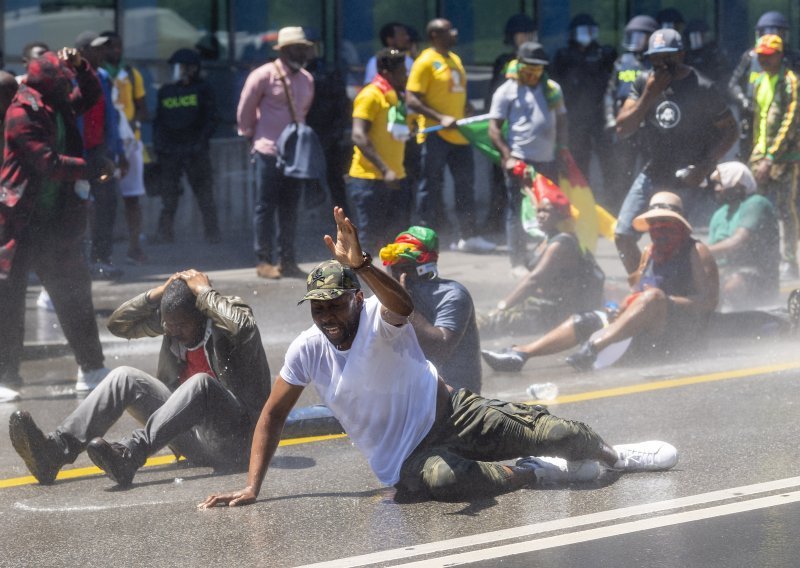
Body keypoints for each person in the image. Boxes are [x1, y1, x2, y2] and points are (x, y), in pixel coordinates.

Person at [199, 207, 677, 507]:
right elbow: (272, 416)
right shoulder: (308, 349)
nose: (326, 317)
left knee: (559, 432)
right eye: (318, 308)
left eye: (335, 305)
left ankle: (617, 457)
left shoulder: (380, 317)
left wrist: (362, 265)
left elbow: (403, 307)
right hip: (405, 462)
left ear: (357, 300)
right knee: (448, 481)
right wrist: (252, 487)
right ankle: (534, 472)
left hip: (455, 413)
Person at [8, 269, 271, 486]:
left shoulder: (226, 322)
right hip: (191, 438)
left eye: (181, 326)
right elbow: (118, 325)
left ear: (201, 313)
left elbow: (245, 329)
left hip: (238, 444)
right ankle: (53, 452)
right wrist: (159, 292)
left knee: (201, 383)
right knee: (124, 376)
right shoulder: (173, 324)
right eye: (169, 325)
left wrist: (204, 291)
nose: (174, 332)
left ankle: (129, 455)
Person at [483, 191, 719, 373]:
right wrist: (620, 308)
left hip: (678, 333)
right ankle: (521, 354)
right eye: (654, 224)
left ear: (679, 224)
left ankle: (594, 348)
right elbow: (637, 291)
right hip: (643, 324)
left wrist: (664, 301)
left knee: (654, 297)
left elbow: (709, 301)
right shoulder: (649, 251)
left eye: (665, 223)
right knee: (587, 319)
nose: (658, 230)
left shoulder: (696, 251)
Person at [0, 49, 114, 392]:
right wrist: (95, 170)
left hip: (55, 222)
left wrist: (81, 67)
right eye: (64, 81)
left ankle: (92, 369)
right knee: (8, 302)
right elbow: (47, 163)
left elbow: (92, 94)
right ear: (47, 85)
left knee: (75, 294)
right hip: (18, 222)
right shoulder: (23, 112)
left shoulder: (56, 102)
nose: (69, 88)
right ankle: (6, 377)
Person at [614, 28, 737, 275]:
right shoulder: (643, 83)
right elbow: (622, 128)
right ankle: (642, 285)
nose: (662, 64)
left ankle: (678, 295)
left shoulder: (702, 86)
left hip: (686, 178)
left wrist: (705, 166)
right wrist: (650, 94)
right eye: (655, 58)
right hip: (653, 172)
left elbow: (730, 130)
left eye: (668, 56)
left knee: (673, 244)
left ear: (681, 54)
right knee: (623, 236)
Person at [406, 18, 494, 253]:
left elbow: (456, 93)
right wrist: (440, 117)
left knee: (466, 186)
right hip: (436, 134)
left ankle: (469, 235)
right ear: (435, 35)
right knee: (430, 187)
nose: (455, 34)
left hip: (460, 135)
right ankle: (424, 239)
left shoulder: (454, 60)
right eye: (449, 31)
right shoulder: (425, 61)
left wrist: (465, 108)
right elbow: (412, 98)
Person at [238, 26, 314, 280]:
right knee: (265, 207)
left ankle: (288, 260)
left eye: (304, 49)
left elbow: (303, 112)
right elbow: (245, 110)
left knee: (290, 208)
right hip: (268, 150)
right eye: (296, 48)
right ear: (283, 51)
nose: (301, 53)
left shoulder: (307, 79)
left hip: (295, 155)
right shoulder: (263, 75)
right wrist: (252, 136)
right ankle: (263, 260)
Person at [478, 183, 604, 338]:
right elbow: (534, 199)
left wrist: (503, 306)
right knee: (477, 313)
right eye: (538, 211)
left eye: (547, 211)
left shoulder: (562, 243)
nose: (540, 215)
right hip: (537, 305)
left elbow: (534, 280)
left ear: (560, 215)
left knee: (492, 321)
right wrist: (528, 185)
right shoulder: (548, 238)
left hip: (553, 313)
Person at [489, 41, 567, 274]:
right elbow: (494, 128)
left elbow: (563, 120)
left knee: (550, 210)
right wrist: (507, 156)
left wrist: (563, 147)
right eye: (529, 67)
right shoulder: (506, 91)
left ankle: (547, 258)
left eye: (539, 68)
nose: (534, 73)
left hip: (548, 160)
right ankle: (518, 261)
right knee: (518, 210)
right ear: (519, 65)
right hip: (520, 161)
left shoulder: (552, 88)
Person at [379, 226, 481, 393]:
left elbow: (439, 349)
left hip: (458, 403)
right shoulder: (386, 297)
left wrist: (404, 305)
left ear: (425, 268)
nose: (398, 275)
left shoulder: (452, 294)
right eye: (394, 267)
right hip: (413, 395)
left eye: (405, 268)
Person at [152, 48, 221, 246]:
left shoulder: (203, 89)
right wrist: (160, 147)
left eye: (182, 67)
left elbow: (212, 118)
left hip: (195, 149)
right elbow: (159, 121)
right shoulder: (166, 91)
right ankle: (164, 234)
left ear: (193, 69)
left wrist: (200, 142)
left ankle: (212, 233)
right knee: (168, 197)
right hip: (170, 151)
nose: (178, 71)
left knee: (204, 194)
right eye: (176, 67)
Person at [348, 48, 412, 251]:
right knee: (366, 242)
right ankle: (356, 282)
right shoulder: (370, 95)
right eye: (402, 71)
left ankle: (391, 283)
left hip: (395, 177)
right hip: (370, 181)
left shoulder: (394, 96)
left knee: (395, 242)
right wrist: (385, 169)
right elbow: (358, 135)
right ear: (386, 72)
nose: (407, 76)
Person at [747, 34, 800, 280]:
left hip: (785, 157)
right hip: (760, 155)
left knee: (785, 209)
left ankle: (789, 260)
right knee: (755, 206)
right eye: (760, 56)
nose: (763, 60)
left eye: (768, 56)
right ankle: (758, 256)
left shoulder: (790, 82)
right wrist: (758, 153)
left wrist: (772, 156)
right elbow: (758, 119)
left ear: (779, 55)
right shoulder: (759, 80)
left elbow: (790, 121)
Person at [75, 31, 127, 281]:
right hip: (76, 153)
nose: (101, 54)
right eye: (95, 49)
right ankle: (76, 262)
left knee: (107, 204)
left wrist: (118, 152)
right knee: (79, 208)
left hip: (100, 152)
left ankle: (102, 259)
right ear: (82, 52)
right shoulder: (70, 78)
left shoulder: (103, 77)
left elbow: (111, 117)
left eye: (102, 49)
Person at [551, 14, 616, 202]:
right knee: (580, 161)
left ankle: (613, 200)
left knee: (608, 161)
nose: (588, 35)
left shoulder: (603, 54)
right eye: (583, 31)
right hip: (576, 118)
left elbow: (613, 78)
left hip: (600, 116)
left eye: (591, 30)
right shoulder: (564, 56)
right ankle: (583, 201)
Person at [482, 13, 537, 235]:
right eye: (522, 34)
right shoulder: (504, 62)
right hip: (505, 129)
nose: (527, 37)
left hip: (529, 130)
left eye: (529, 34)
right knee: (501, 178)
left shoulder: (537, 60)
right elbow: (494, 95)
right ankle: (496, 222)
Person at [99, 30, 149, 266]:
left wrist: (132, 124)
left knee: (132, 198)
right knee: (100, 199)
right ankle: (99, 254)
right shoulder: (96, 76)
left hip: (130, 142)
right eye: (109, 47)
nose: (115, 51)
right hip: (105, 144)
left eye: (118, 46)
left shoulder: (130, 73)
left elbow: (142, 107)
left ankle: (134, 247)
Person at [603, 15, 658, 211]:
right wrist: (610, 119)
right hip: (625, 125)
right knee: (622, 171)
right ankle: (619, 211)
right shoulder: (622, 62)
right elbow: (610, 93)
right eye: (633, 36)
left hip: (649, 126)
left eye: (641, 37)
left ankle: (648, 210)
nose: (636, 42)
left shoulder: (655, 63)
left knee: (649, 170)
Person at [728, 11, 800, 161]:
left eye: (777, 34)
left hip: (781, 120)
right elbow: (733, 84)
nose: (765, 60)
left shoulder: (793, 60)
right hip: (752, 118)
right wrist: (745, 101)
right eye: (766, 34)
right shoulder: (750, 57)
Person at [708, 162, 779, 310]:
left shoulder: (756, 203)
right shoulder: (719, 215)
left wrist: (699, 251)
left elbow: (737, 241)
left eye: (721, 184)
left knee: (732, 285)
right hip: (725, 273)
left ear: (739, 185)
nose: (716, 189)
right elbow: (712, 258)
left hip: (757, 276)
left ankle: (741, 325)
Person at [305, 28, 351, 211]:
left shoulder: (328, 71)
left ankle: (344, 216)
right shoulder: (291, 72)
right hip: (305, 134)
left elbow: (342, 103)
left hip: (328, 133)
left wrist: (336, 131)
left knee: (335, 178)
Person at [682, 19, 729, 85]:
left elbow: (724, 77)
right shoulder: (685, 56)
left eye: (697, 36)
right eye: (690, 37)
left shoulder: (715, 54)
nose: (693, 39)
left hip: (711, 91)